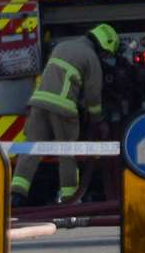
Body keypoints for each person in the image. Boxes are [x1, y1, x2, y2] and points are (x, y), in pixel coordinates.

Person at [11, 23, 118, 205]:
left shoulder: (62, 46)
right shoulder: (91, 58)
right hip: (63, 108)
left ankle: (16, 195)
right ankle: (69, 198)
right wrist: (98, 121)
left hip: (38, 104)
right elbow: (93, 97)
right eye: (106, 54)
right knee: (66, 153)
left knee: (31, 150)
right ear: (103, 46)